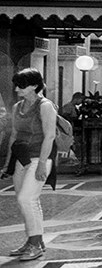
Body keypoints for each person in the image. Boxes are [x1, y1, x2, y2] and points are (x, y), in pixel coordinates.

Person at [2, 68, 57, 260]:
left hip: (40, 156)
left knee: (27, 199)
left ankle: (35, 245)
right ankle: (34, 241)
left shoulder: (45, 106)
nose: (17, 89)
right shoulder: (18, 107)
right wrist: (8, 163)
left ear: (34, 86)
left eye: (21, 86)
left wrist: (42, 163)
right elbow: (14, 136)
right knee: (26, 201)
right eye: (16, 85)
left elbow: (50, 135)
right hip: (21, 158)